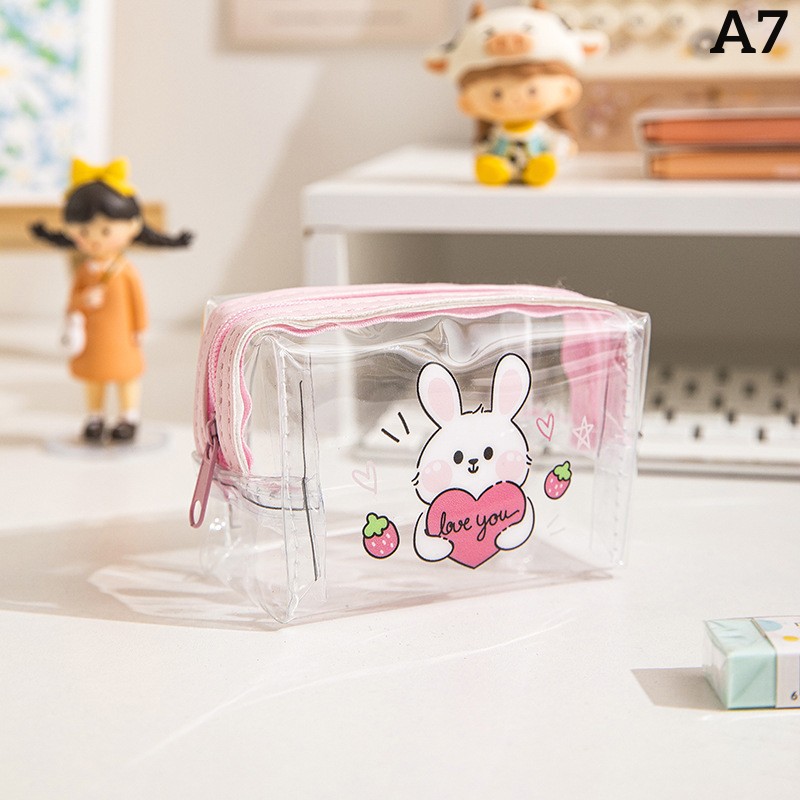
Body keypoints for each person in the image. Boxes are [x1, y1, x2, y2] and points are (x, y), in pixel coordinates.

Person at [31, 158, 193, 443]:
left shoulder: (125, 270)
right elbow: (72, 302)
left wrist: (140, 328)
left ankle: (128, 417)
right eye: (84, 232)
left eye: (105, 231)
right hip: (92, 338)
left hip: (122, 338)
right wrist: (83, 299)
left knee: (126, 376)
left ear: (133, 225)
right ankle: (95, 416)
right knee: (94, 378)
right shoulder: (84, 271)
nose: (94, 239)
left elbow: (138, 301)